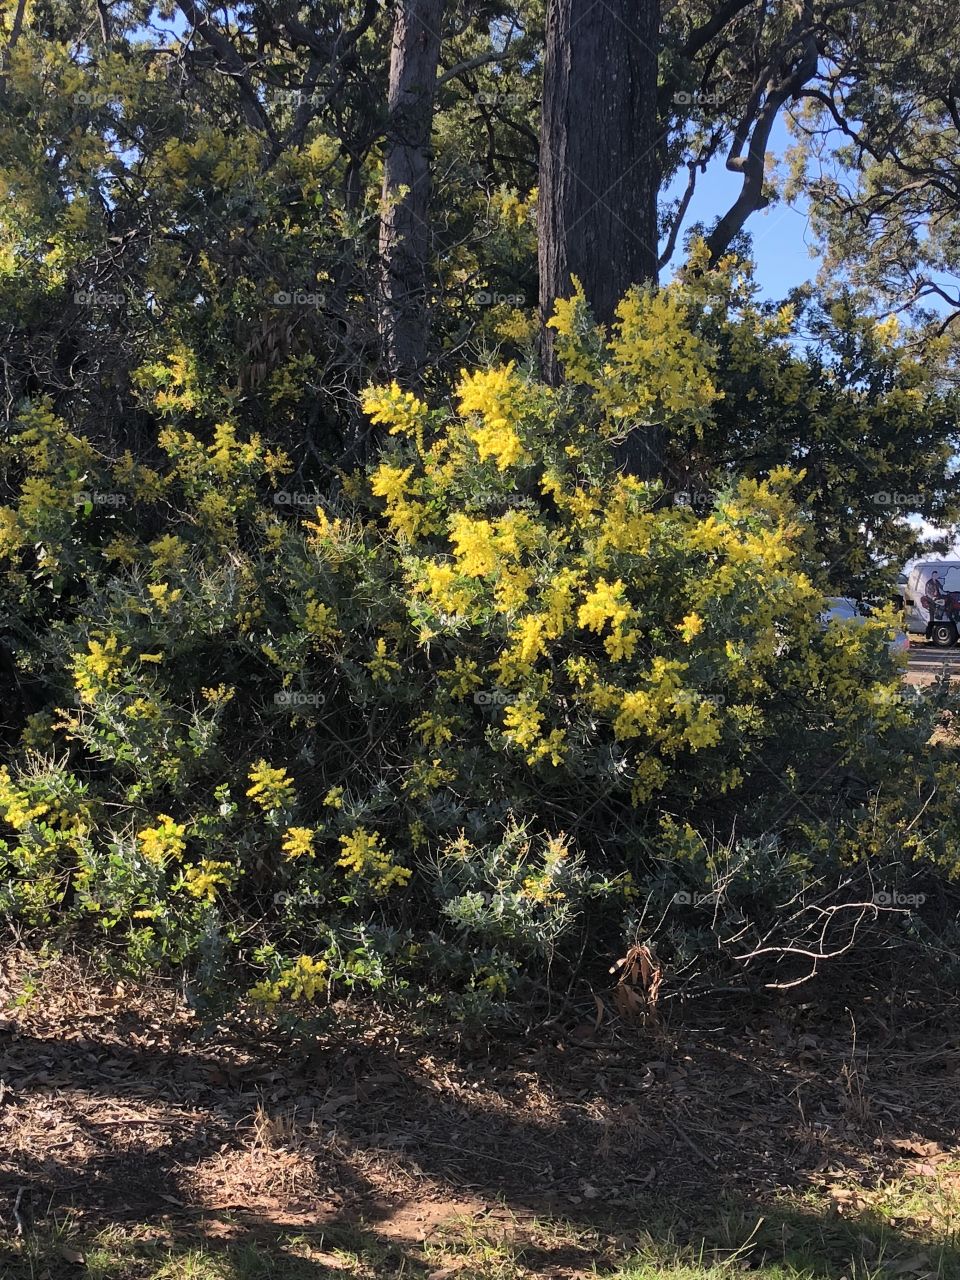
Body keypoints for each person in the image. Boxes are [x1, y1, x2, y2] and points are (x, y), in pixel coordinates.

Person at [922, 569, 944, 639]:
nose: (936, 576)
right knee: (931, 617)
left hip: (937, 598)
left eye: (936, 575)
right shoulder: (929, 583)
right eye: (934, 575)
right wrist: (932, 598)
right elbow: (927, 592)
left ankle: (938, 616)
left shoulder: (937, 582)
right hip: (931, 600)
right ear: (932, 576)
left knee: (943, 603)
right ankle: (929, 633)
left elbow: (942, 588)